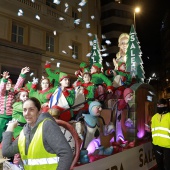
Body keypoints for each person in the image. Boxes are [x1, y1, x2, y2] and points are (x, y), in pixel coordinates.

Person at [2, 97, 73, 170]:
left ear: (39, 111)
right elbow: (6, 151)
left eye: (31, 109)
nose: (27, 113)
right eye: (24, 110)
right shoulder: (25, 132)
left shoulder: (47, 125)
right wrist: (9, 128)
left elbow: (66, 153)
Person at [0, 67, 30, 142]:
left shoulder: (13, 92)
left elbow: (18, 85)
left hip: (11, 116)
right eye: (6, 83)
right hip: (2, 116)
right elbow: (2, 88)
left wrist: (22, 75)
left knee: (10, 132)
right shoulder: (1, 93)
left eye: (9, 83)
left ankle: (7, 144)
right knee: (0, 131)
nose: (7, 84)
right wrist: (4, 80)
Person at [151, 98, 170, 170]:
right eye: (158, 105)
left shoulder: (169, 116)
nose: (159, 106)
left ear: (165, 105)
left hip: (168, 145)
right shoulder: (154, 117)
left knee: (168, 166)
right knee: (159, 165)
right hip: (157, 144)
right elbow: (152, 130)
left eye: (161, 104)